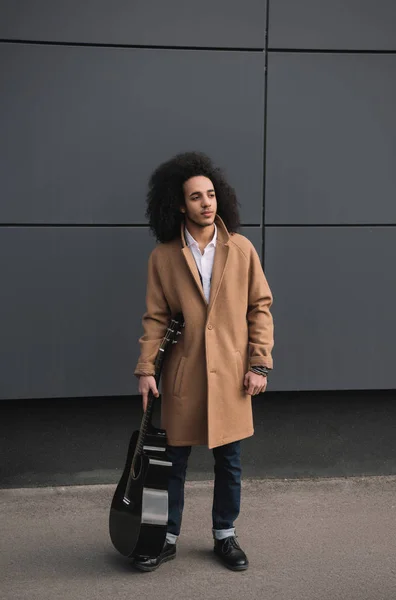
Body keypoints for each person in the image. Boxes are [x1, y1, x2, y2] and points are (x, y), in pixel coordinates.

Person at [133, 151, 274, 572]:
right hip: (183, 375)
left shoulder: (242, 250)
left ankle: (225, 536)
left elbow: (260, 307)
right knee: (173, 463)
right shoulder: (163, 256)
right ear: (180, 204)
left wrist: (259, 363)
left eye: (211, 194)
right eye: (196, 197)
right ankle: (166, 537)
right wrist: (145, 369)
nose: (206, 203)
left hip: (231, 376)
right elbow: (155, 317)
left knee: (228, 462)